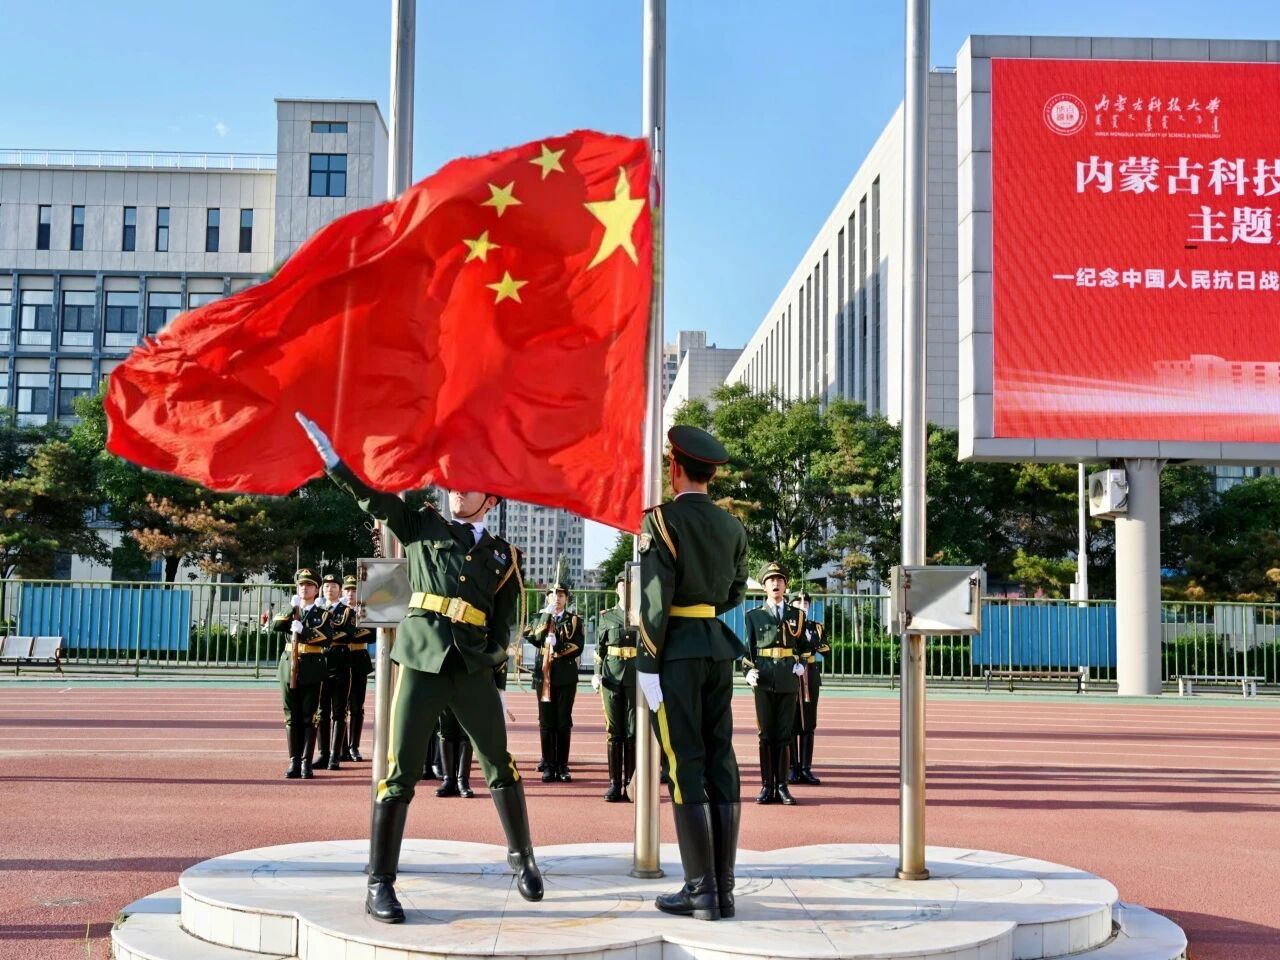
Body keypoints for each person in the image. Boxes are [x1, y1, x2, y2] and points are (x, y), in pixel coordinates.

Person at [296, 412, 542, 925]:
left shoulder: (505, 556)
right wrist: (336, 462)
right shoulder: (422, 524)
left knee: (500, 763)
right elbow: (374, 500)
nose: (456, 490)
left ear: (491, 499)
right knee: (400, 771)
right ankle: (379, 882)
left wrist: (494, 670)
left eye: (468, 484)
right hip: (422, 661)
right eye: (452, 481)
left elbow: (506, 626)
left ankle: (523, 858)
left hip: (472, 669)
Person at [636, 425, 748, 922]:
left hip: (675, 652)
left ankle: (700, 890)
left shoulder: (661, 521)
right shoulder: (732, 526)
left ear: (674, 468)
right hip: (715, 646)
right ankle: (723, 889)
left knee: (685, 762)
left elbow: (654, 600)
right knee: (721, 758)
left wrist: (647, 662)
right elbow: (735, 591)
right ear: (712, 474)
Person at [742, 563, 808, 806]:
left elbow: (804, 647)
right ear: (764, 586)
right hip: (764, 679)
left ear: (786, 585)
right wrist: (748, 672)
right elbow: (748, 651)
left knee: (784, 734)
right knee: (765, 734)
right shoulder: (754, 616)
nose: (775, 583)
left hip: (788, 679)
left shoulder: (797, 615)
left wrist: (801, 664)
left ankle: (782, 786)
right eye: (771, 580)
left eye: (780, 579)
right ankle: (766, 786)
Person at [271, 569, 333, 780]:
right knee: (291, 716)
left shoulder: (322, 614)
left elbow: (327, 638)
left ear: (316, 590)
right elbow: (276, 625)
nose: (304, 588)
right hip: (289, 665)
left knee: (309, 716)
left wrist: (304, 631)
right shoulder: (291, 609)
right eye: (301, 585)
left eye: (309, 585)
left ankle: (306, 762)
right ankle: (294, 761)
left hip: (312, 666)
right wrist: (292, 607)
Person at [527, 582, 582, 783]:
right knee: (546, 721)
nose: (557, 598)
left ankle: (562, 765)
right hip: (544, 675)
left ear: (566, 598)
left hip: (565, 675)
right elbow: (534, 637)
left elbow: (578, 646)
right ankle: (549, 765)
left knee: (563, 721)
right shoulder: (539, 618)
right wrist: (546, 615)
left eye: (560, 595)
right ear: (547, 598)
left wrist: (558, 645)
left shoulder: (574, 620)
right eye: (553, 595)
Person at [593, 572, 636, 802]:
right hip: (611, 677)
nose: (624, 589)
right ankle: (614, 783)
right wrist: (596, 673)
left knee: (632, 731)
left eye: (628, 585)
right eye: (621, 585)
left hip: (635, 677)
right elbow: (599, 649)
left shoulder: (641, 614)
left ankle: (630, 784)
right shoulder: (607, 616)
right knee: (614, 731)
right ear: (616, 589)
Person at [788, 592, 829, 786]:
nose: (803, 606)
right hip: (791, 671)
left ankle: (806, 768)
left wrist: (812, 639)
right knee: (791, 721)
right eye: (798, 603)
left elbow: (825, 649)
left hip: (810, 672)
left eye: (806, 604)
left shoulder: (815, 627)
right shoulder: (787, 625)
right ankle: (792, 767)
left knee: (809, 722)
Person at [316, 573, 354, 771]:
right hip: (322, 662)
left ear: (339, 590)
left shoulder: (347, 611)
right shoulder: (317, 610)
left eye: (333, 586)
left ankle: (335, 755)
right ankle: (323, 754)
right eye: (326, 586)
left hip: (340, 662)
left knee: (339, 711)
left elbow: (348, 634)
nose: (329, 589)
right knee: (322, 711)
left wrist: (323, 634)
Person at [341, 575, 374, 761]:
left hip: (358, 658)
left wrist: (349, 634)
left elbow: (371, 635)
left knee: (356, 705)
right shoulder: (337, 612)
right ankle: (341, 747)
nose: (350, 593)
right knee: (339, 706)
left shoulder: (366, 612)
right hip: (341, 659)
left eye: (354, 590)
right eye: (347, 590)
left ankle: (354, 747)